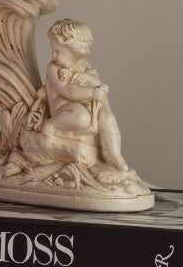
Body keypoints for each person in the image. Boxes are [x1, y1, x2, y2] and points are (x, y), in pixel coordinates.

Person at [40, 18, 128, 172]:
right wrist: (93, 92)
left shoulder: (83, 65)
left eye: (58, 51)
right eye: (53, 50)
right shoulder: (53, 68)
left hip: (88, 105)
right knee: (81, 118)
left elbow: (96, 80)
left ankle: (114, 155)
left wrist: (87, 79)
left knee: (108, 118)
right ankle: (52, 124)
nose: (53, 55)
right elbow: (67, 91)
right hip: (65, 108)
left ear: (76, 52)